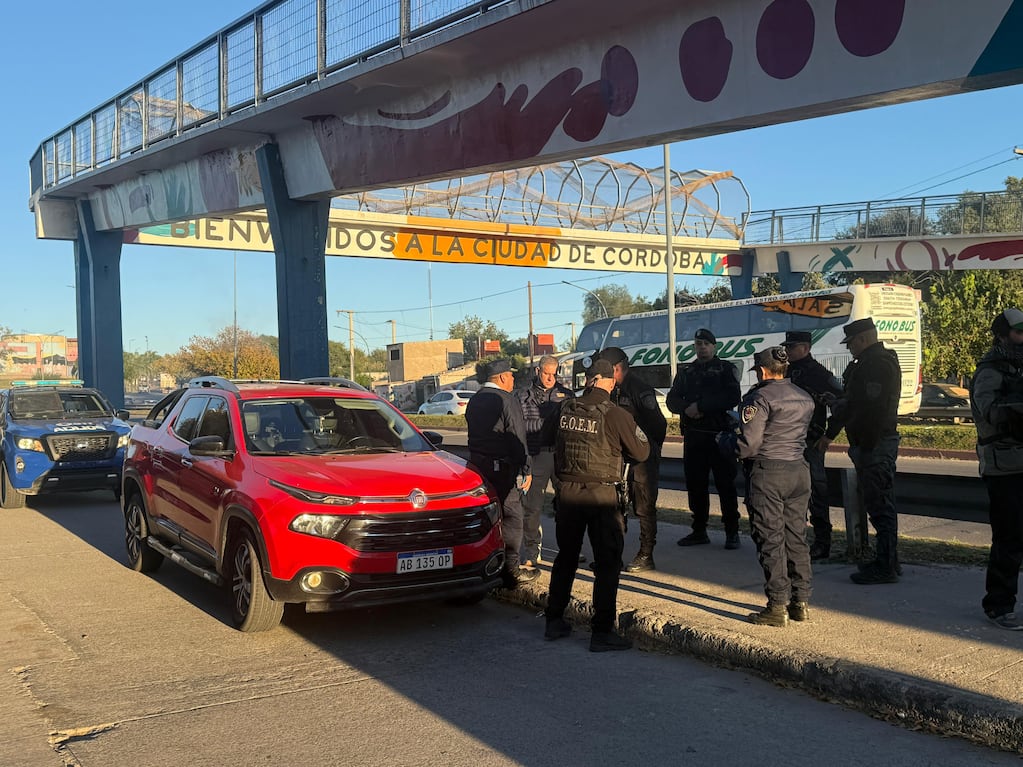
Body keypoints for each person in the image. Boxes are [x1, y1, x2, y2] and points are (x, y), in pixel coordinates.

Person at [544, 358, 651, 651]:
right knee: (607, 563)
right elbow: (641, 452)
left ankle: (553, 620)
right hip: (601, 496)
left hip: (567, 492)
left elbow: (545, 438)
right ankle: (602, 632)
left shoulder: (563, 407)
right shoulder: (615, 414)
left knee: (566, 557)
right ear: (609, 381)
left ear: (588, 380)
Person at [719, 346, 815, 626]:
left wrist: (725, 441)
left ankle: (776, 606)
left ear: (761, 371)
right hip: (798, 470)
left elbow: (748, 446)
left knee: (770, 539)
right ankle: (801, 601)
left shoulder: (758, 398)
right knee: (796, 536)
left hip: (768, 473)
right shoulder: (804, 396)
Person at [820, 317, 902, 585]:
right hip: (873, 442)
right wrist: (839, 403)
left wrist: (865, 443)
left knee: (880, 506)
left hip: (874, 443)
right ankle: (889, 560)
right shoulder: (871, 362)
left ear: (863, 339)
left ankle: (886, 566)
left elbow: (870, 409)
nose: (849, 348)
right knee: (880, 503)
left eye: (851, 343)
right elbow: (858, 402)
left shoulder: (876, 364)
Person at [666, 327, 743, 550]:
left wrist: (701, 406)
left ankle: (732, 531)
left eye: (706, 344)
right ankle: (699, 530)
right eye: (698, 344)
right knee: (695, 485)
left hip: (719, 436)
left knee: (725, 485)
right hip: (694, 437)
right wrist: (687, 409)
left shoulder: (725, 369)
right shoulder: (686, 372)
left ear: (714, 347)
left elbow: (732, 397)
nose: (702, 348)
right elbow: (672, 400)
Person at [464, 358, 539, 588]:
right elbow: (517, 436)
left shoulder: (475, 400)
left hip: (478, 466)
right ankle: (510, 570)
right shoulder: (506, 400)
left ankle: (487, 564)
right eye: (511, 375)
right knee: (512, 516)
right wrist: (526, 468)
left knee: (489, 516)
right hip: (502, 467)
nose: (513, 379)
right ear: (503, 377)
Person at [971, 308, 1023, 630]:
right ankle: (999, 605)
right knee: (1009, 537)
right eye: (1018, 333)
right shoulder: (990, 371)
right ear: (1003, 336)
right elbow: (989, 412)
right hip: (1004, 466)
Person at [595, 346, 666, 573]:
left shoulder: (639, 389)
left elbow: (658, 425)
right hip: (617, 457)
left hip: (641, 458)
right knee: (615, 506)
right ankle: (613, 554)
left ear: (616, 368)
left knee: (644, 506)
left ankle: (646, 554)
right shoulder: (609, 389)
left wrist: (648, 450)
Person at [782, 330, 845, 560]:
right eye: (786, 347)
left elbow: (842, 405)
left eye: (792, 347)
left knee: (816, 492)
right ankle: (795, 540)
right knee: (790, 494)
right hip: (788, 441)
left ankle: (822, 542)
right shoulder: (786, 372)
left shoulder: (819, 374)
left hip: (810, 442)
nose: (787, 351)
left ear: (806, 348)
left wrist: (829, 435)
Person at [516, 355, 575, 567]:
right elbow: (518, 427)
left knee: (567, 506)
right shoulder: (522, 396)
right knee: (532, 507)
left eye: (554, 374)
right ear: (537, 371)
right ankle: (532, 551)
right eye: (546, 373)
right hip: (536, 455)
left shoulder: (566, 395)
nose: (551, 378)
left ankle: (570, 549)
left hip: (561, 456)